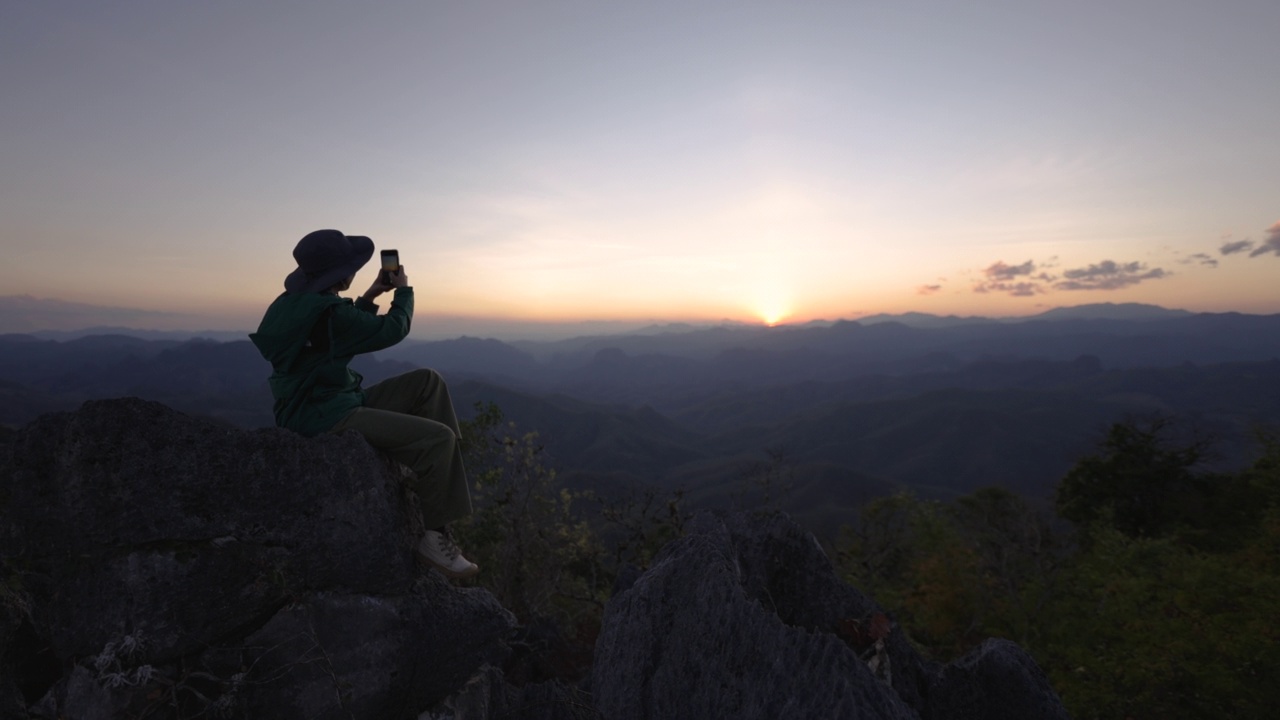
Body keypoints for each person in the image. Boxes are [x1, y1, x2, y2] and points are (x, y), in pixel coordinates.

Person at [249, 229, 478, 578]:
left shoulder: (292, 305)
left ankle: (435, 480)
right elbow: (392, 329)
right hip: (325, 415)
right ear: (341, 274)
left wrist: (371, 295)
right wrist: (403, 290)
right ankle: (435, 536)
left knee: (427, 382)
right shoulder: (327, 313)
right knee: (439, 438)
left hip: (330, 399)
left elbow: (337, 336)